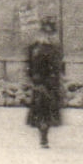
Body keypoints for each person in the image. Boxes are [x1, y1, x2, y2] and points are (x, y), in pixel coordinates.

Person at [26, 18, 65, 148]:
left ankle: (43, 137)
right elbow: (30, 66)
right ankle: (43, 137)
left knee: (43, 111)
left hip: (45, 83)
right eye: (47, 32)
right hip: (45, 84)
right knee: (44, 111)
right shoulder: (45, 48)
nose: (49, 35)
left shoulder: (40, 47)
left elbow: (58, 66)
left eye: (50, 33)